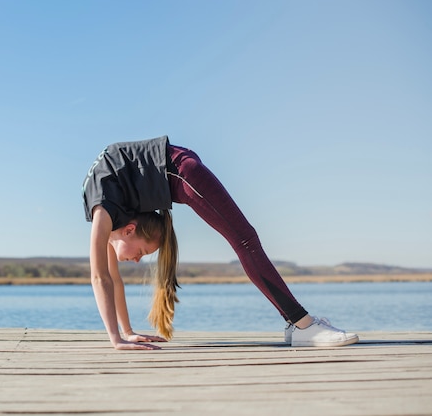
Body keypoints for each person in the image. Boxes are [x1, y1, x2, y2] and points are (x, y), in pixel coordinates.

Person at [82, 135, 359, 350]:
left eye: (141, 252)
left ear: (130, 229)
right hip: (175, 165)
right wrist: (124, 334)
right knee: (245, 241)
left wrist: (115, 340)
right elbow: (111, 279)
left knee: (245, 240)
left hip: (181, 170)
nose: (139, 259)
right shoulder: (110, 218)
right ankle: (296, 325)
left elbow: (99, 278)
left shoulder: (104, 212)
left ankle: (302, 325)